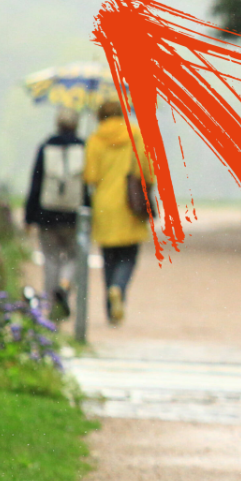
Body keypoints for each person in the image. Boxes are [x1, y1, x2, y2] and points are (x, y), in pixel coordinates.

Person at [83, 100, 155, 324]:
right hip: (129, 204)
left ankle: (109, 307)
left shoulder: (95, 140)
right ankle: (119, 289)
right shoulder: (136, 135)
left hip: (104, 204)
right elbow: (147, 170)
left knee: (109, 258)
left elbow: (91, 177)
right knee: (129, 256)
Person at [24, 107, 86, 320]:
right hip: (73, 214)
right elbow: (87, 186)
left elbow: (36, 183)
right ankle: (65, 285)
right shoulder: (83, 147)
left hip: (47, 213)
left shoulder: (45, 147)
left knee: (50, 259)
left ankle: (50, 302)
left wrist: (29, 217)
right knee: (74, 256)